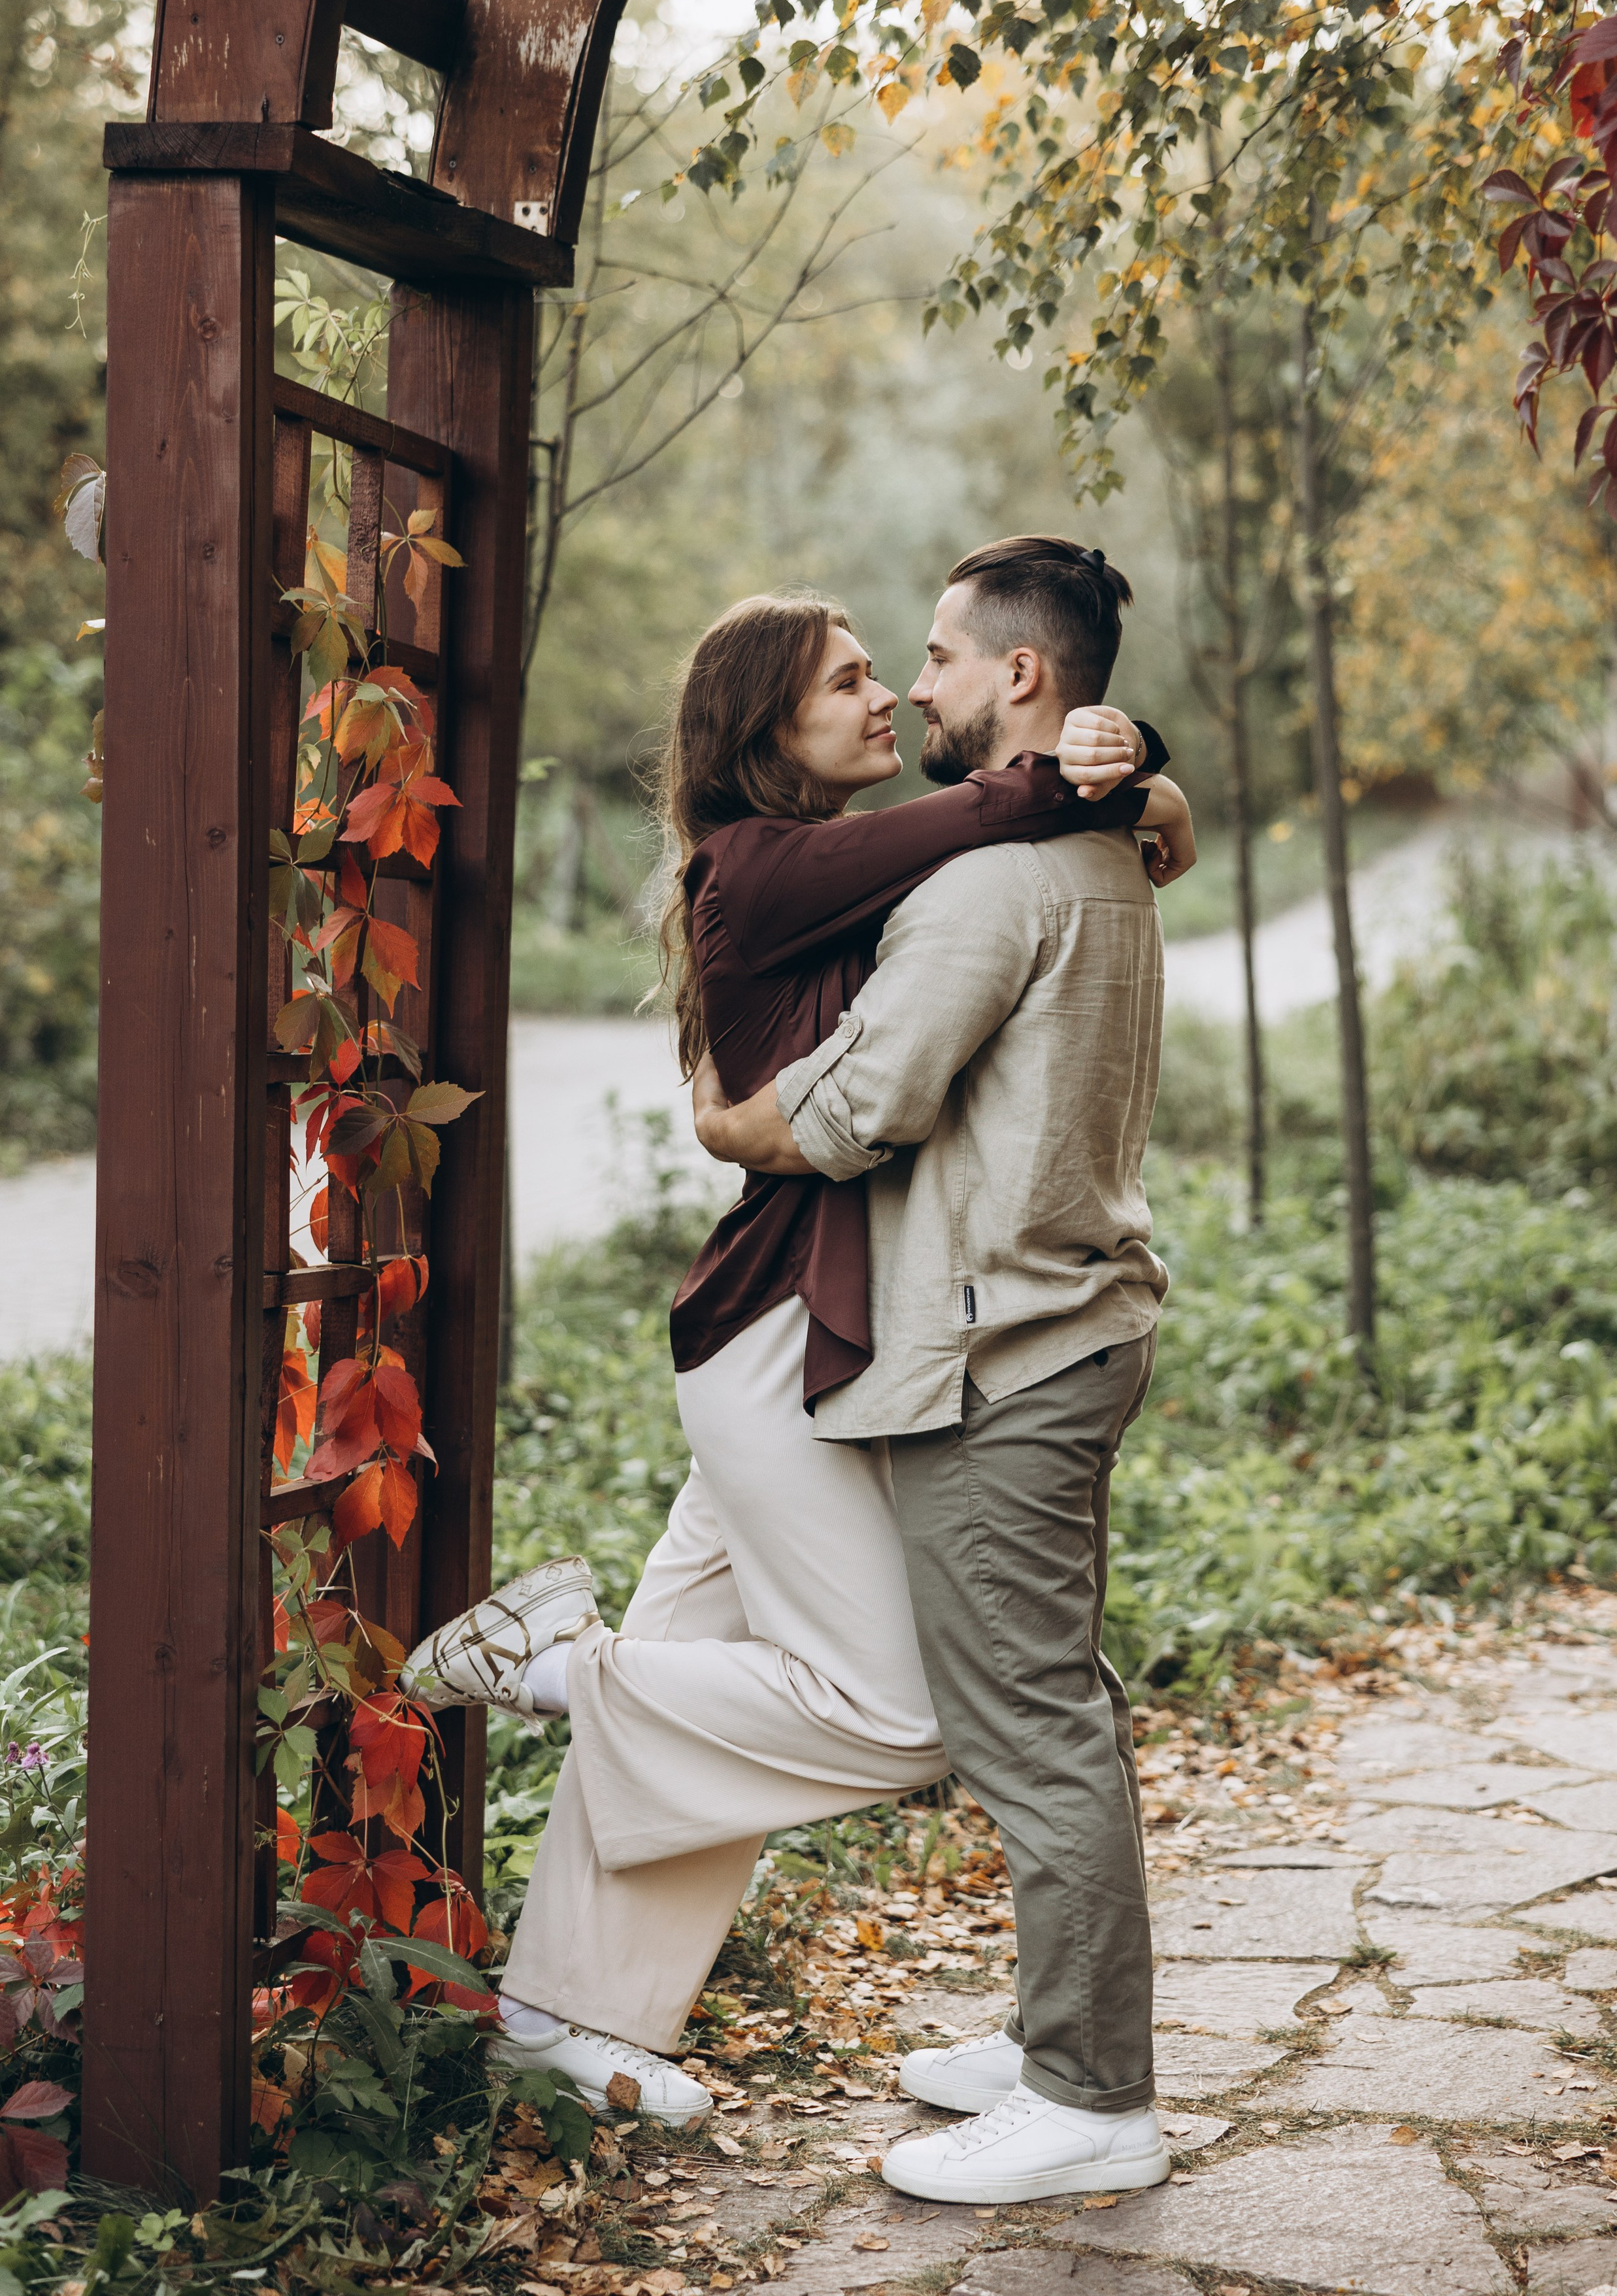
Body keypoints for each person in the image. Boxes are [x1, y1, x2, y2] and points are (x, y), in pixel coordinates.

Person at [400, 567, 1193, 2134]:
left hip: (800, 1316)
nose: (888, 692)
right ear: (765, 730)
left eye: (898, 664)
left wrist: (1143, 775)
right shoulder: (762, 868)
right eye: (845, 680)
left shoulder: (841, 865)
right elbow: (988, 823)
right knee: (887, 1711)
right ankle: (544, 1660)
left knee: (692, 1680)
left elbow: (1028, 834)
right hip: (777, 1327)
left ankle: (558, 2015)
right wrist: (1116, 771)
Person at [693, 535, 1184, 2204]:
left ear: (1022, 680)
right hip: (1068, 1318)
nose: (914, 687)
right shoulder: (1095, 851)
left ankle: (1089, 2097)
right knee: (1043, 1707)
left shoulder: (985, 884)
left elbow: (854, 1109)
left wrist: (735, 1119)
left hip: (1008, 1350)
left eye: (937, 659)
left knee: (1031, 1724)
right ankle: (1062, 2031)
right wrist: (1142, 773)